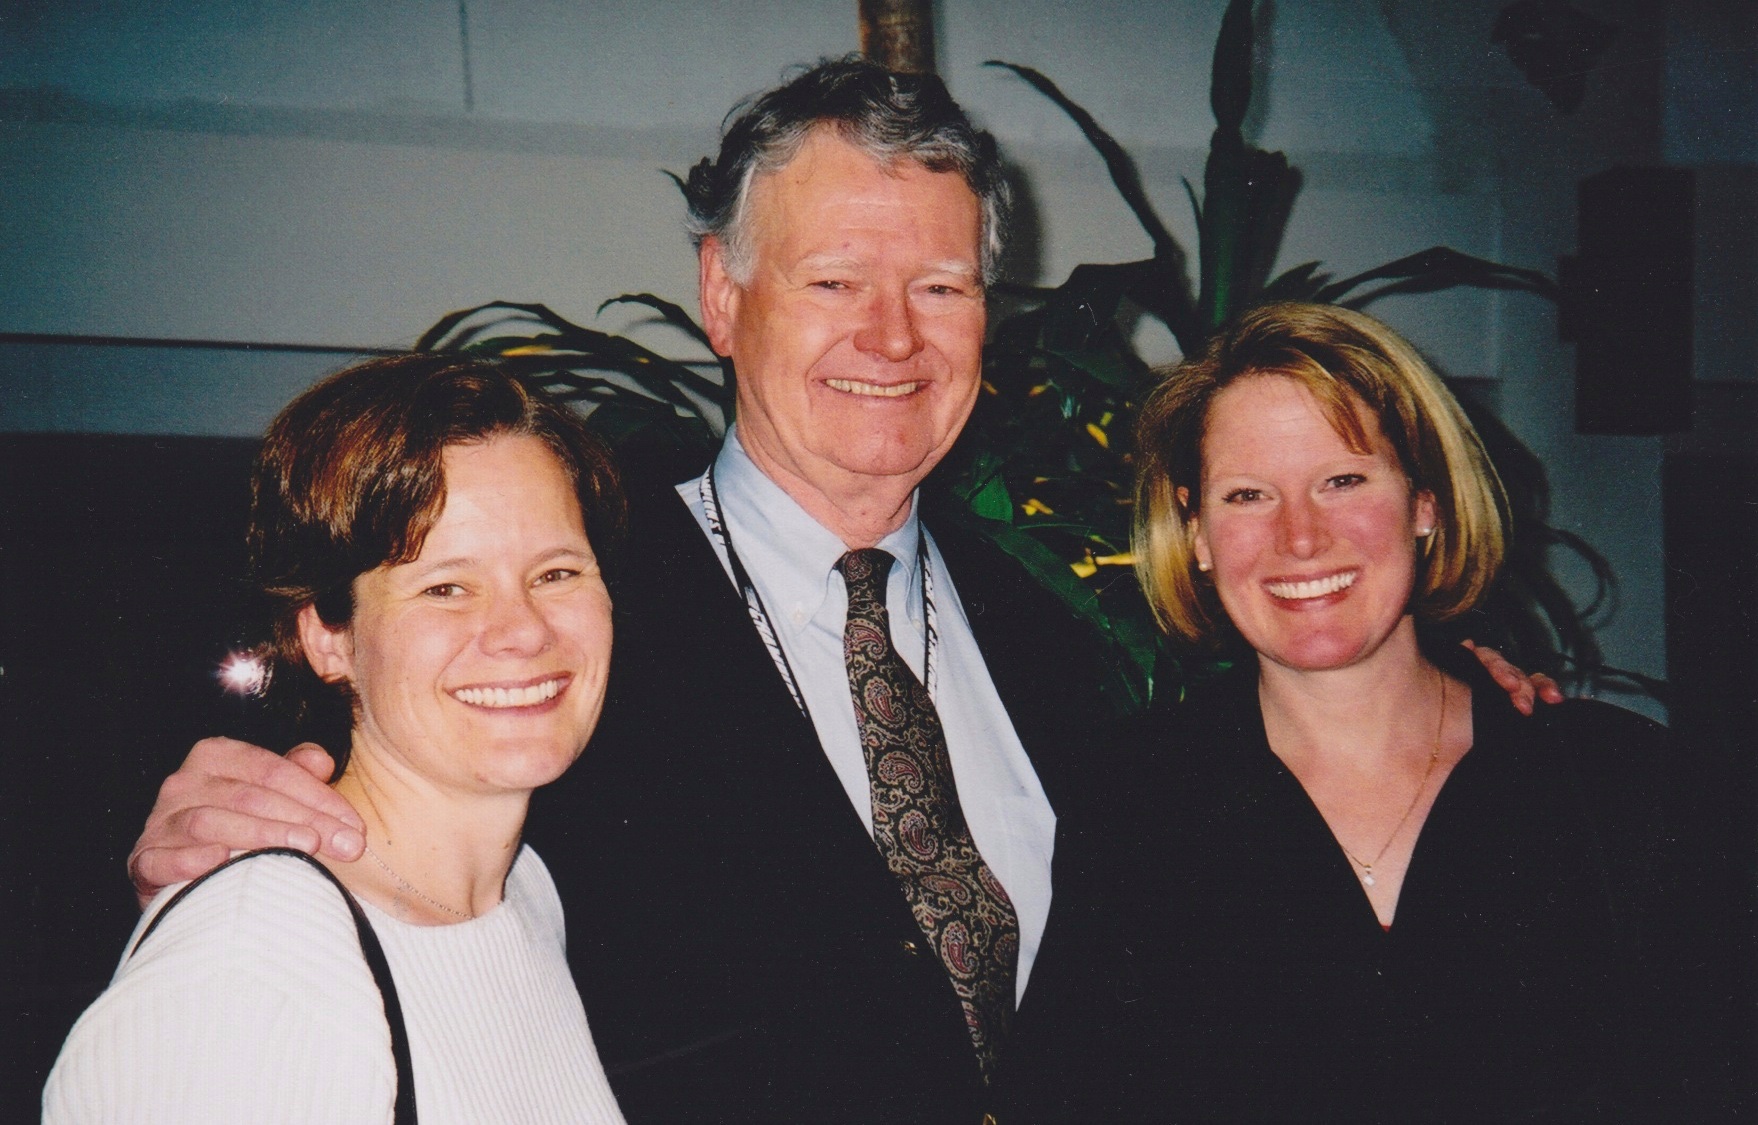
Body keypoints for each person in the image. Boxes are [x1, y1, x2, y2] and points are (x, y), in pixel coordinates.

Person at [118, 61, 1553, 1121]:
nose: (891, 336)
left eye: (939, 287)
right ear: (723, 296)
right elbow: (372, 776)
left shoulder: (1063, 646)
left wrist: (1444, 697)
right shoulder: (568, 614)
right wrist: (238, 807)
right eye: (831, 284)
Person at [1101, 302, 1699, 1121]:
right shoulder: (1126, 806)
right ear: (1196, 533)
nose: (1300, 537)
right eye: (1247, 495)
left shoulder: (1622, 783)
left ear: (1424, 501)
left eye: (1342, 480)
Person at [46, 355, 628, 1122]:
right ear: (327, 636)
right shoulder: (257, 965)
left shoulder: (525, 893)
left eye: (557, 572)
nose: (523, 629)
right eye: (445, 587)